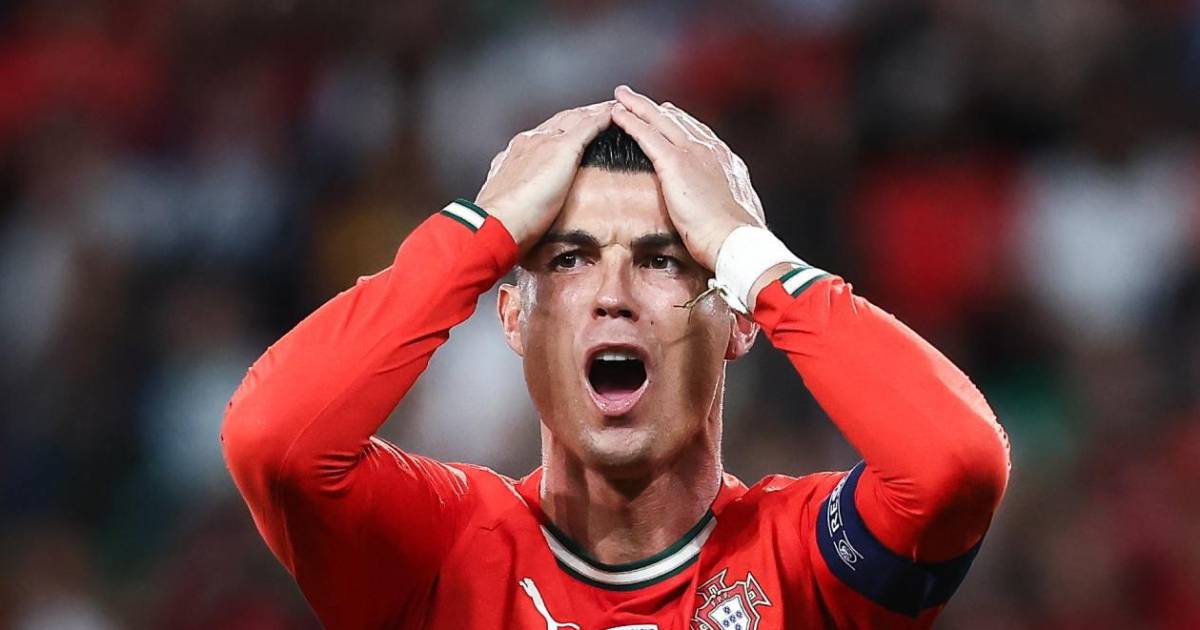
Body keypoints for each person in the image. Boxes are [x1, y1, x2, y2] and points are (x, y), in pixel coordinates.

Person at [221, 85, 1010, 629]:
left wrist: (748, 254)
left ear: (741, 321)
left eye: (665, 260)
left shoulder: (806, 567)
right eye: (569, 260)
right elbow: (275, 442)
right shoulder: (444, 552)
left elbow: (955, 464)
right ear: (512, 318)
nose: (613, 295)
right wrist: (482, 232)